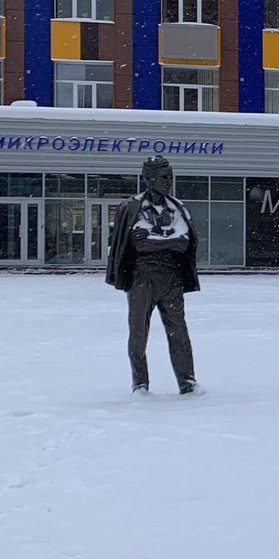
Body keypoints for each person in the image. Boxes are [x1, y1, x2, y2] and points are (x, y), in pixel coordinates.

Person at [105, 155, 200, 394]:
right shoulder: (132, 208)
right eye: (163, 177)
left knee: (179, 333)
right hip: (141, 278)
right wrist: (167, 241)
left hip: (171, 279)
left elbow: (183, 242)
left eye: (170, 176)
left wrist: (156, 241)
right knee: (138, 333)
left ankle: (188, 384)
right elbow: (138, 245)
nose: (169, 181)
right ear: (148, 179)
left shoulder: (177, 207)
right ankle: (140, 385)